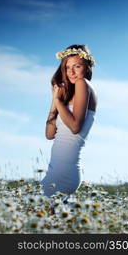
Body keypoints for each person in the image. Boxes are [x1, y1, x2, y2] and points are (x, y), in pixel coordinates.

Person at [40, 44, 97, 199]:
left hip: (65, 171)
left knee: (42, 215)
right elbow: (49, 134)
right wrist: (55, 100)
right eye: (67, 67)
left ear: (87, 67)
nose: (71, 72)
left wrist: (57, 101)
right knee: (51, 221)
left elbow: (74, 127)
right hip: (55, 168)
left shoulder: (83, 83)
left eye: (77, 66)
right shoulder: (68, 95)